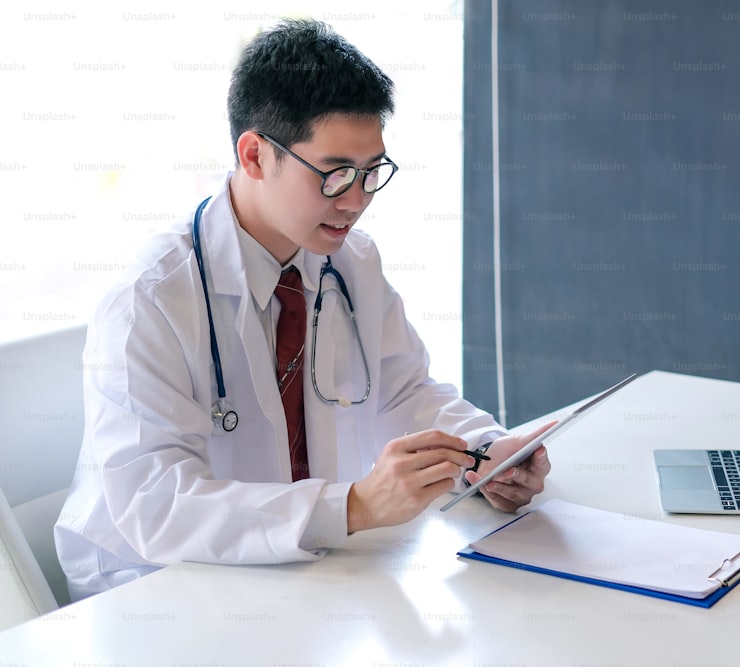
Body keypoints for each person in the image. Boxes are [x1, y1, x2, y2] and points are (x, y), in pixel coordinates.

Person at [55, 18, 552, 601]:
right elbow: (156, 505)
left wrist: (483, 453)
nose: (359, 199)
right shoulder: (151, 298)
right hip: (151, 589)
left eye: (372, 173)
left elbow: (403, 392)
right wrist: (354, 506)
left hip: (297, 570)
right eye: (336, 173)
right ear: (256, 154)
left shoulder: (351, 263)